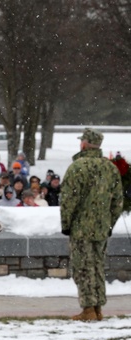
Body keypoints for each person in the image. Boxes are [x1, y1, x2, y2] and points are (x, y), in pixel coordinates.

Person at [60, 128, 125, 321]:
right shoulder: (110, 168)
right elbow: (118, 201)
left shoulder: (77, 167)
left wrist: (66, 224)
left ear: (84, 144)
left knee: (82, 267)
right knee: (97, 266)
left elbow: (68, 200)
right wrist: (109, 223)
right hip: (101, 228)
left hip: (81, 227)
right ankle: (98, 308)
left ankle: (88, 308)